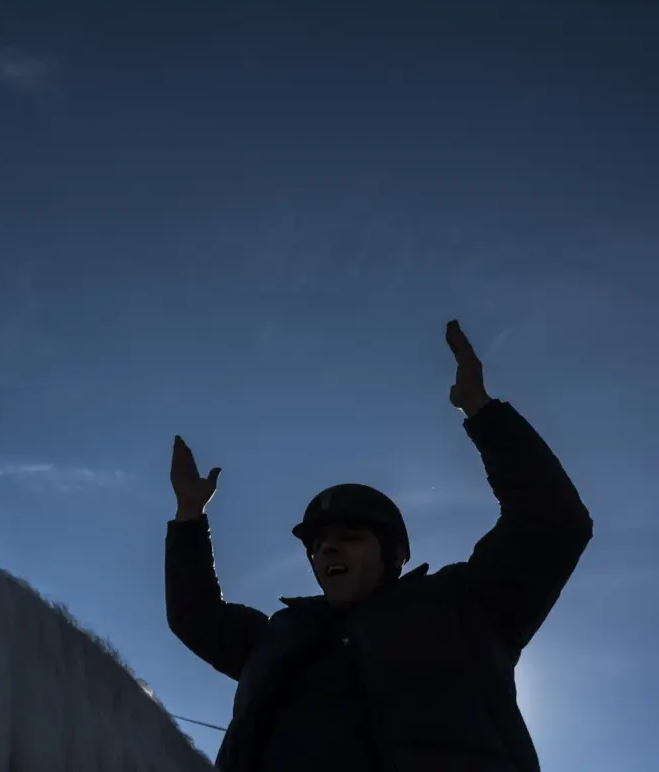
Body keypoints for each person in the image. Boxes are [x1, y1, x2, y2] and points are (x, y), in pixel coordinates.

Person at [165, 320, 592, 772]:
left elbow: (552, 521)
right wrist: (189, 517)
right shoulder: (274, 637)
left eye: (348, 537)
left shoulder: (466, 608)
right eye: (318, 544)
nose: (327, 550)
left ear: (392, 553)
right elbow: (196, 615)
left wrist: (482, 411)